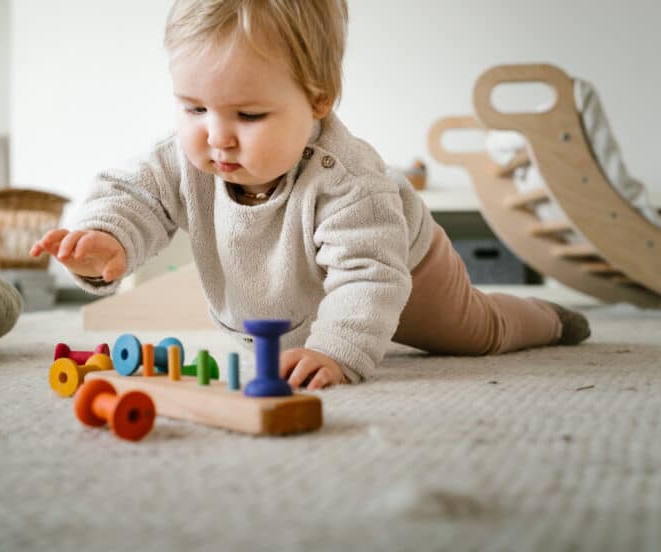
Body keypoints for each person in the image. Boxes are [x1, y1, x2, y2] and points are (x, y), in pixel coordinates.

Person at [29, 0, 590, 388]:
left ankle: (548, 317)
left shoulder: (348, 180)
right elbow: (134, 195)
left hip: (407, 271)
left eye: (248, 114)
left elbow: (371, 275)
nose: (216, 135)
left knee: (478, 333)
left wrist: (336, 351)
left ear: (317, 100)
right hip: (304, 296)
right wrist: (107, 237)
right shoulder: (183, 157)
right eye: (193, 107)